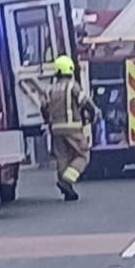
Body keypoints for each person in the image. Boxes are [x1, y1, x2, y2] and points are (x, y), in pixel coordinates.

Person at [40, 55, 97, 202]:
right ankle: (67, 180)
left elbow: (44, 108)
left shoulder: (49, 89)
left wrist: (49, 122)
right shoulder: (73, 86)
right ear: (70, 69)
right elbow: (85, 103)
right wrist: (93, 115)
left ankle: (68, 191)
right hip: (73, 128)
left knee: (62, 157)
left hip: (55, 129)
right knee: (83, 155)